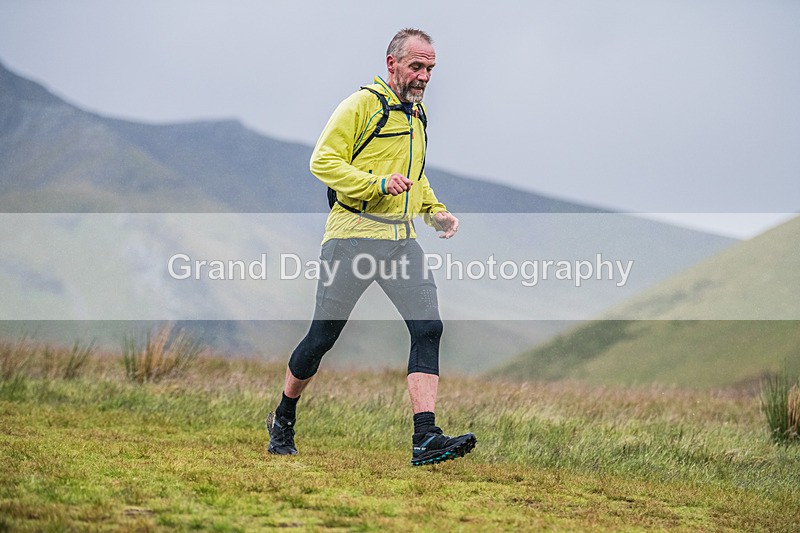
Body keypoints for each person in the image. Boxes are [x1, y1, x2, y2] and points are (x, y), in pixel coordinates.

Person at [266, 28, 476, 466]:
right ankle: (284, 415)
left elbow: (414, 175)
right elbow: (322, 161)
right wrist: (376, 183)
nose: (424, 77)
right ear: (392, 64)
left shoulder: (418, 116)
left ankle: (425, 438)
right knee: (323, 337)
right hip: (353, 236)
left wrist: (434, 211)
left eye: (430, 69)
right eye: (417, 66)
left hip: (401, 241)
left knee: (428, 329)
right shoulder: (361, 105)